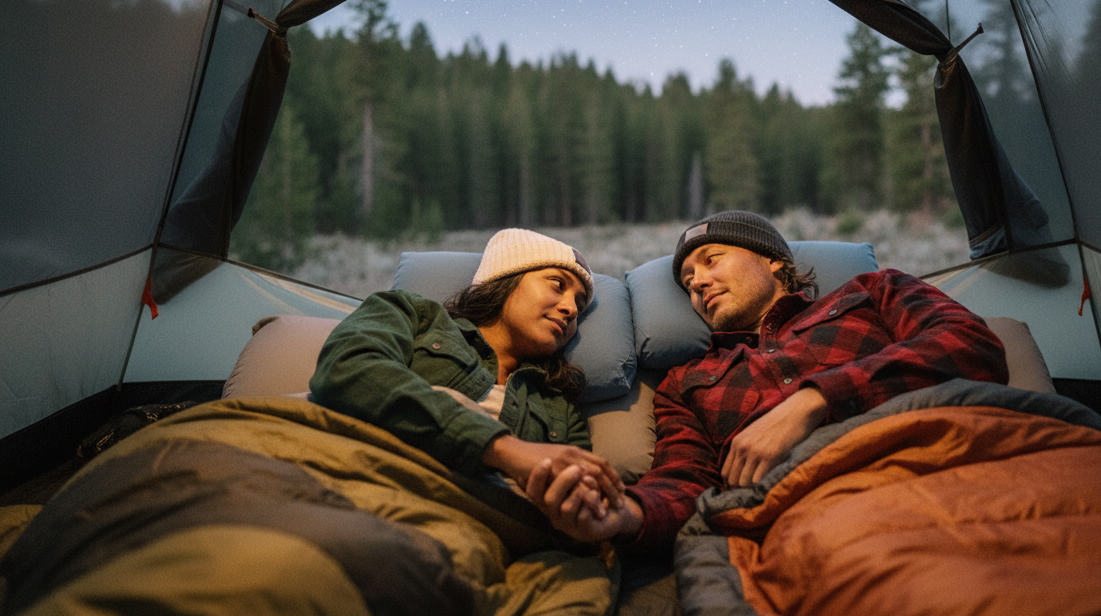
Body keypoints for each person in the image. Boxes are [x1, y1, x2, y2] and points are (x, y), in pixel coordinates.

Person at [525, 210, 1009, 551]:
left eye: (711, 259)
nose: (696, 282)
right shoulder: (689, 382)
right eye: (688, 280)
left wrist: (813, 401)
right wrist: (625, 516)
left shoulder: (874, 293)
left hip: (967, 467)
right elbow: (685, 481)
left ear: (773, 259)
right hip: (828, 515)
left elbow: (970, 346)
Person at [311, 227, 624, 511]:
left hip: (469, 519)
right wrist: (502, 448)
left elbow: (581, 497)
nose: (571, 309)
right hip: (352, 478)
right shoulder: (416, 316)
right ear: (506, 278)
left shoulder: (558, 406)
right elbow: (347, 367)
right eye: (557, 285)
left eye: (580, 306)